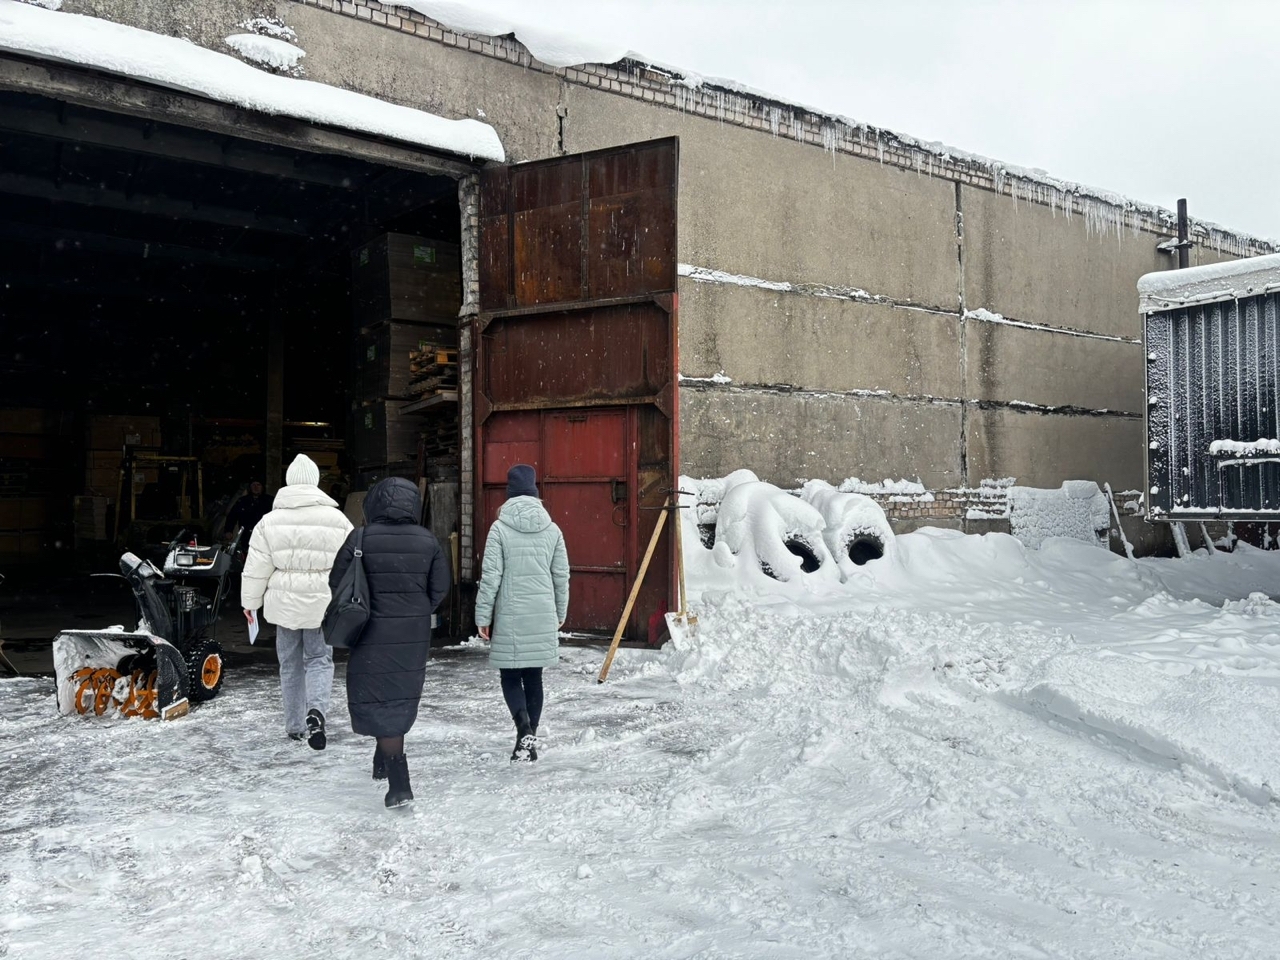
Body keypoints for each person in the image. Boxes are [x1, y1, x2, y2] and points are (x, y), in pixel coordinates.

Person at [329, 476, 450, 808]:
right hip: (411, 635)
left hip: (369, 631)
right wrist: (415, 608)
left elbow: (337, 581)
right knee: (399, 695)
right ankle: (383, 759)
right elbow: (440, 588)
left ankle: (400, 781)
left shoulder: (361, 537)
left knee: (378, 695)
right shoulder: (428, 541)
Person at [241, 455, 352, 749]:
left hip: (284, 604)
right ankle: (316, 711)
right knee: (319, 660)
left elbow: (256, 567)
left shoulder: (270, 521)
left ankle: (294, 725)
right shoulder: (337, 520)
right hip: (321, 603)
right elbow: (351, 564)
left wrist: (249, 602)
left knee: (290, 664)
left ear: (289, 481)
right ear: (316, 481)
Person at [474, 464, 570, 763]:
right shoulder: (553, 529)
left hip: (510, 616)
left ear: (510, 493)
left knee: (511, 675)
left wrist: (483, 616)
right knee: (535, 677)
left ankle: (523, 727)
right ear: (535, 492)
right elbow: (561, 575)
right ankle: (529, 739)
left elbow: (491, 576)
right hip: (542, 613)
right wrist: (560, 612)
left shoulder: (499, 529)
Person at [228, 480, 272, 545]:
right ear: (250, 487)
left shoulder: (269, 501)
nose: (256, 487)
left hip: (265, 536)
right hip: (246, 536)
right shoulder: (242, 501)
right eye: (253, 485)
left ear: (262, 487)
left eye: (258, 485)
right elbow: (232, 516)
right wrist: (228, 530)